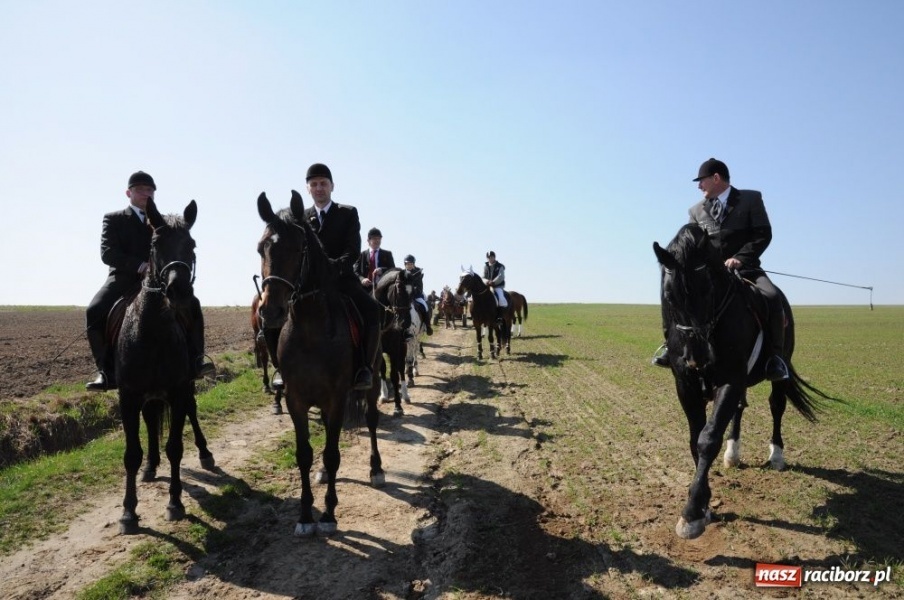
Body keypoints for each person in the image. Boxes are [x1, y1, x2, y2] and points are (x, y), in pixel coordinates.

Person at [652, 158, 789, 381]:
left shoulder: (751, 199)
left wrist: (740, 258)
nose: (699, 186)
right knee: (678, 296)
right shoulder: (696, 211)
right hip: (710, 275)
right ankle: (670, 346)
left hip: (747, 270)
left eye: (701, 180)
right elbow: (691, 244)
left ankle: (775, 358)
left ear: (716, 178)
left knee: (773, 297)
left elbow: (763, 234)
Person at [85, 171, 214, 391]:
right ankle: (105, 372)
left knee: (192, 305)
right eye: (140, 190)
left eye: (150, 190)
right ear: (129, 193)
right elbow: (108, 253)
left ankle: (196, 361)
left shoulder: (163, 221)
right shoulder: (114, 219)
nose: (146, 193)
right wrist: (139, 265)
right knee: (94, 310)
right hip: (123, 279)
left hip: (159, 280)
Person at [300, 162, 383, 390]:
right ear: (308, 189)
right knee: (276, 309)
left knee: (372, 309)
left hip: (342, 280)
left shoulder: (347, 212)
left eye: (323, 183)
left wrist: (335, 267)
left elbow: (353, 249)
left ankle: (365, 367)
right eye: (314, 184)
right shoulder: (302, 217)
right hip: (309, 285)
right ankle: (282, 367)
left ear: (332, 186)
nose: (319, 188)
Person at [402, 255, 433, 336]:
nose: (409, 265)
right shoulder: (402, 273)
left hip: (416, 295)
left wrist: (412, 290)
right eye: (407, 264)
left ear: (413, 264)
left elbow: (419, 286)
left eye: (411, 264)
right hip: (404, 296)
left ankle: (428, 326)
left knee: (424, 306)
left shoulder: (418, 272)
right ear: (405, 264)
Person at [483, 251, 508, 315]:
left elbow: (501, 276)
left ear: (494, 257)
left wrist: (493, 282)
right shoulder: (485, 266)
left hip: (498, 286)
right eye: (489, 257)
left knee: (501, 299)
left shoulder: (500, 266)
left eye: (491, 257)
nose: (490, 259)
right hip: (488, 286)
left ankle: (500, 316)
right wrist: (487, 281)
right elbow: (483, 277)